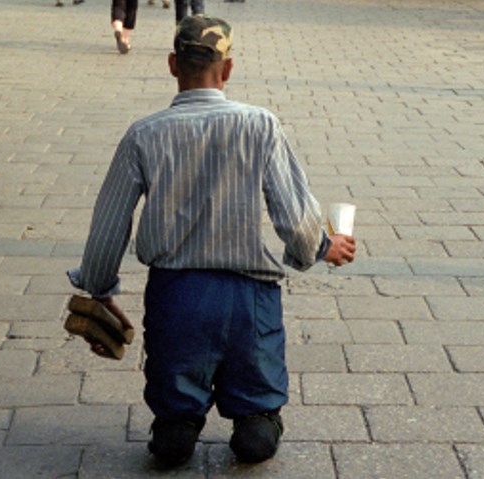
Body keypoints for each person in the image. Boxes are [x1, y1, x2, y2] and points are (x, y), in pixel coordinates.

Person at [67, 14, 356, 467]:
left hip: (176, 297)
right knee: (257, 431)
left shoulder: (144, 134)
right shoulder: (260, 125)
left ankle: (177, 428)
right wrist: (322, 247)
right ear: (228, 69)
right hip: (250, 300)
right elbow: (294, 218)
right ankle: (256, 425)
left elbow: (109, 225)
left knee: (173, 425)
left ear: (171, 64)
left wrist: (99, 290)